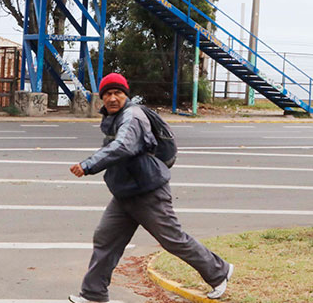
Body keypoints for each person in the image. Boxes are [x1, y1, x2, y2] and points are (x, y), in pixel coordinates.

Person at [68, 72, 233, 302]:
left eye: (117, 93)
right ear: (101, 98)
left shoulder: (132, 116)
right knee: (106, 238)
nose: (112, 98)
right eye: (107, 94)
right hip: (126, 192)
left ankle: (219, 272)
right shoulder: (114, 117)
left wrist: (88, 165)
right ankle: (94, 294)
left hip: (148, 191)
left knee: (172, 239)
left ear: (126, 95)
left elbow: (123, 146)